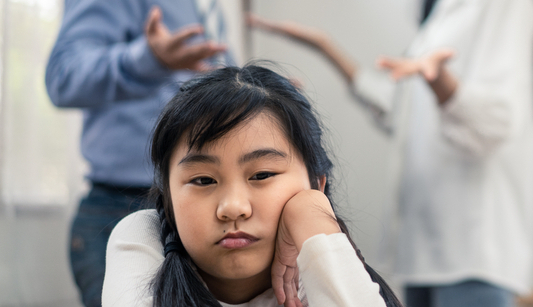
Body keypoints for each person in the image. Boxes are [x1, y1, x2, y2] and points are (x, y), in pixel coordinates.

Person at [249, 0, 533, 305]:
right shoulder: (447, 4)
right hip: (425, 251)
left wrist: (443, 83)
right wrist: (327, 48)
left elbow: (495, 122)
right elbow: (406, 113)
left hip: (472, 251)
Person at [44, 0, 251, 305]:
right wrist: (147, 59)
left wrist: (259, 98)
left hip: (190, 212)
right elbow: (63, 76)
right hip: (126, 212)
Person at [101, 65, 402, 307]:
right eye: (203, 180)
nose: (233, 207)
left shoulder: (323, 269)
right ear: (168, 198)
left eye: (262, 175)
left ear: (316, 185)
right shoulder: (142, 236)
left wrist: (312, 217)